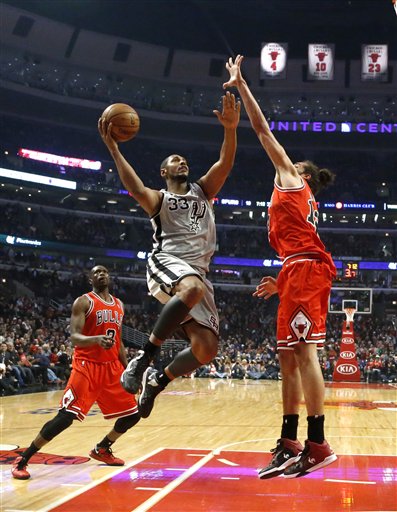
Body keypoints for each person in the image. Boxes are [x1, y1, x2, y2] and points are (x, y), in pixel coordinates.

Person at [223, 55, 337, 479]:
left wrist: (241, 84)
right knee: (287, 360)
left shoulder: (292, 178)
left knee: (305, 355)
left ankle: (319, 443)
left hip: (306, 270)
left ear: (299, 172)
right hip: (295, 271)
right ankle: (289, 442)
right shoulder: (299, 197)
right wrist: (283, 279)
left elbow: (262, 129)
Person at [98, 91, 240, 419]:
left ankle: (157, 381)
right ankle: (144, 358)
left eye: (184, 160)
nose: (182, 162)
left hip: (198, 274)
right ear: (164, 172)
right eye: (175, 161)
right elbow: (134, 188)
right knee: (191, 288)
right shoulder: (159, 199)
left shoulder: (203, 191)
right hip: (167, 261)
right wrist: (114, 149)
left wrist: (230, 129)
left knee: (207, 349)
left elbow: (226, 162)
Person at [12, 265, 140, 480]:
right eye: (96, 272)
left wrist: (128, 370)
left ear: (110, 277)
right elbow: (74, 337)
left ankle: (103, 448)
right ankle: (23, 458)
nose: (101, 274)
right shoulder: (84, 302)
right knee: (66, 417)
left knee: (134, 414)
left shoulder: (119, 304)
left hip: (111, 368)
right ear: (90, 279)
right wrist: (96, 340)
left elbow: (118, 343)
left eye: (104, 271)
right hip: (87, 365)